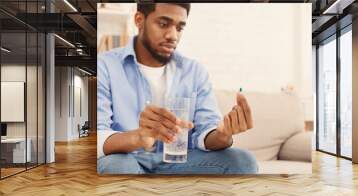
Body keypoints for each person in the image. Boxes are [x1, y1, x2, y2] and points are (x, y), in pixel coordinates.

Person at [97, 3, 258, 174]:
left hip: (179, 163)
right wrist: (139, 137)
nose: (173, 36)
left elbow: (207, 131)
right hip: (127, 158)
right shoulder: (105, 65)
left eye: (180, 27)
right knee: (116, 167)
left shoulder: (195, 71)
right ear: (139, 20)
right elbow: (97, 135)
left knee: (243, 162)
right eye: (163, 24)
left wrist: (223, 134)